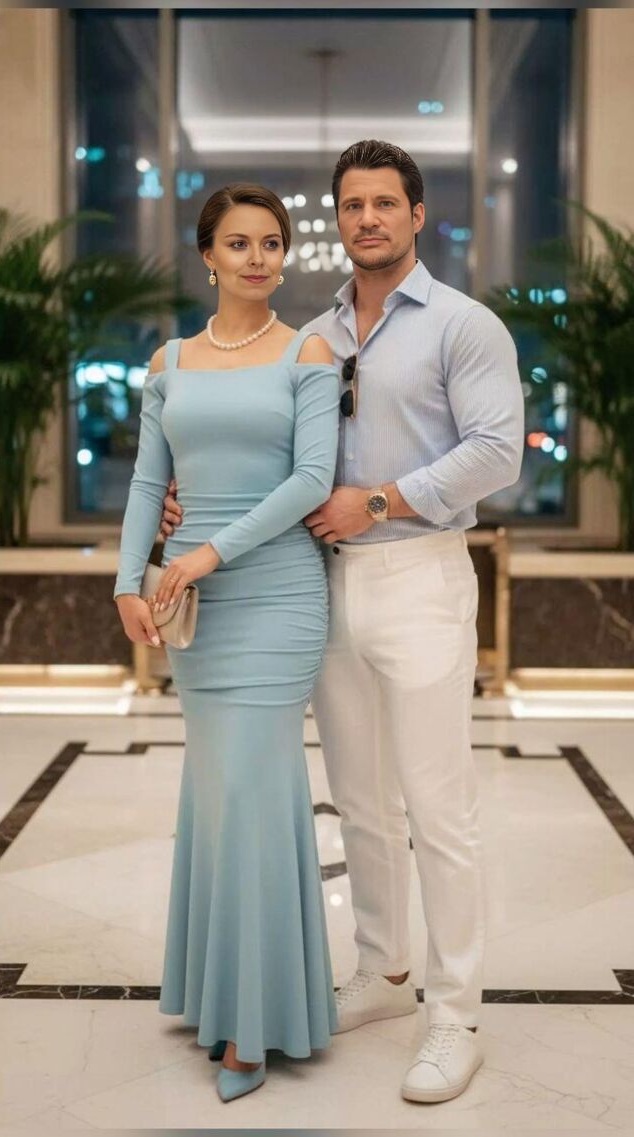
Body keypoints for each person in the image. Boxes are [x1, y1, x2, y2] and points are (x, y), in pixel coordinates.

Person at [162, 140, 525, 1105]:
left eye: (384, 203)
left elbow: (498, 452)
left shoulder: (463, 325)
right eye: (352, 205)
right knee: (360, 799)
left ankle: (456, 1012)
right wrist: (183, 500)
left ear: (417, 215)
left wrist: (381, 500)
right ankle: (383, 967)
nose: (367, 218)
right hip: (320, 583)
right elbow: (265, 455)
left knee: (438, 807)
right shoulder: (315, 334)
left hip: (419, 574)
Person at [114, 182, 340, 1103]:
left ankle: (252, 1025)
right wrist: (127, 580)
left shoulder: (306, 351)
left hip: (276, 596)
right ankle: (223, 993)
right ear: (207, 254)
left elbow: (313, 479)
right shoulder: (168, 360)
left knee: (251, 792)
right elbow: (147, 480)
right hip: (191, 608)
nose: (258, 258)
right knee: (217, 797)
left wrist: (208, 549)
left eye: (271, 242)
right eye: (239, 243)